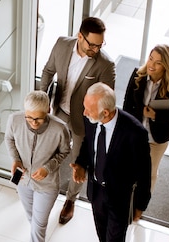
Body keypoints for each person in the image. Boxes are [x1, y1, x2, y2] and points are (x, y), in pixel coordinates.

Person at [71, 83, 151, 242]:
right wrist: (81, 165)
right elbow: (88, 146)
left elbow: (144, 173)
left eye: (88, 109)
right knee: (101, 233)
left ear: (105, 112)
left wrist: (140, 206)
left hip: (119, 198)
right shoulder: (91, 120)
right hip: (96, 191)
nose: (84, 113)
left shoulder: (135, 133)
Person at [40, 16, 116, 225]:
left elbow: (107, 99)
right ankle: (44, 188)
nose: (96, 49)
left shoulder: (105, 64)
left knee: (78, 163)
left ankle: (71, 200)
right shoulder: (62, 44)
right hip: (58, 110)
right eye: (92, 44)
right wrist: (42, 98)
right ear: (79, 36)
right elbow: (48, 71)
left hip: (84, 121)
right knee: (48, 151)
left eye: (100, 45)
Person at [5, 91, 71, 242]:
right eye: (29, 117)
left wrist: (48, 168)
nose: (33, 122)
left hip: (47, 185)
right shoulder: (14, 120)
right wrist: (15, 159)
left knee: (38, 227)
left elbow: (64, 151)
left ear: (48, 112)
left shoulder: (60, 128)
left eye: (39, 118)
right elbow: (9, 139)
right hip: (23, 181)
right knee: (33, 220)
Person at [122, 44, 169, 191]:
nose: (152, 65)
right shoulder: (138, 75)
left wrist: (155, 115)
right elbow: (127, 104)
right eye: (151, 59)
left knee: (149, 173)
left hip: (157, 138)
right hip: (136, 134)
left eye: (158, 63)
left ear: (166, 66)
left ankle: (140, 206)